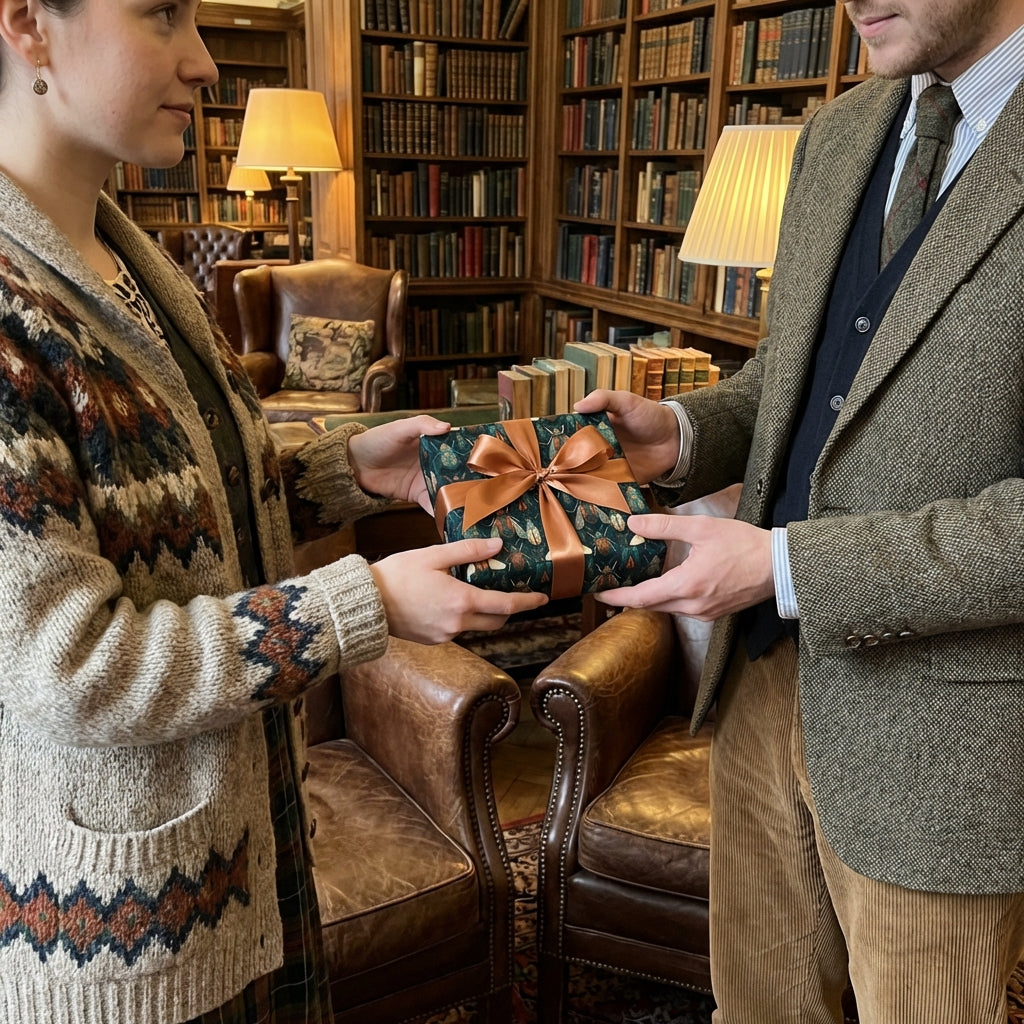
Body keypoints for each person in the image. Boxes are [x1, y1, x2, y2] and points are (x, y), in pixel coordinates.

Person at [0, 1, 547, 1022]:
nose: (205, 64)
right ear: (30, 22)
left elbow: (173, 502)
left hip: (245, 853)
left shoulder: (134, 259)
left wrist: (344, 469)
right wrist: (359, 602)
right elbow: (63, 668)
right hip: (121, 932)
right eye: (162, 14)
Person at [577, 1, 1024, 1021]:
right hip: (762, 689)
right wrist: (680, 435)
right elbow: (799, 373)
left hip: (943, 747)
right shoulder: (838, 131)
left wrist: (784, 567)